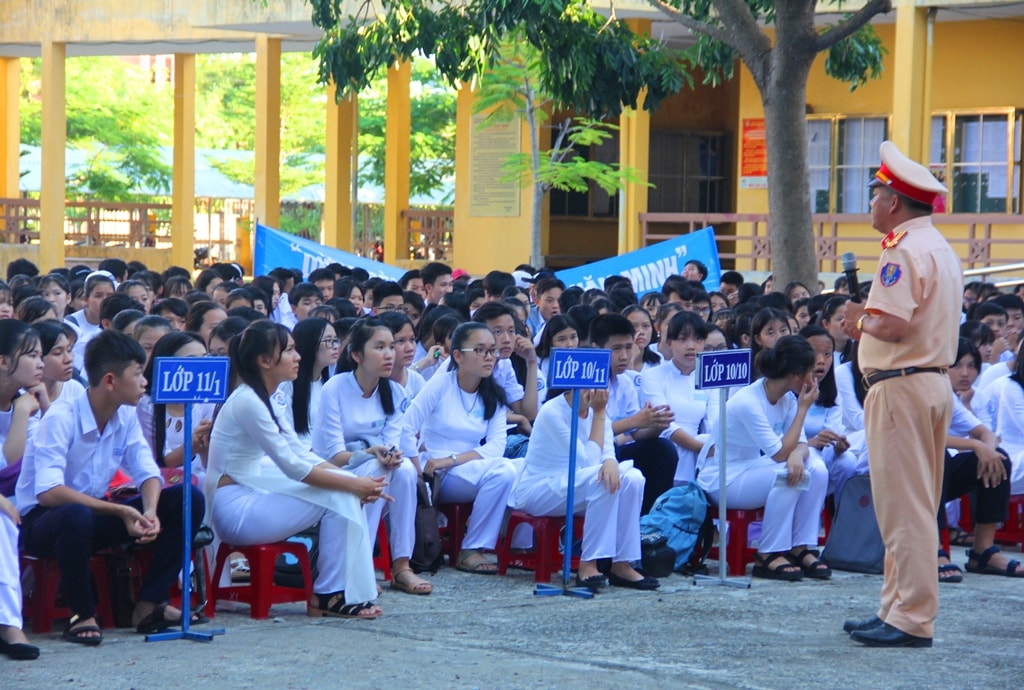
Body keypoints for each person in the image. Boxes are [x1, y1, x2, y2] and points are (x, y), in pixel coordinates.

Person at [841, 140, 963, 648]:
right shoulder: (937, 245)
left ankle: (910, 617)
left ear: (893, 201)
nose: (870, 204)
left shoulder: (902, 250)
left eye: (875, 195)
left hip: (901, 386)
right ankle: (895, 607)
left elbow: (890, 326)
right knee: (909, 503)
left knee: (905, 508)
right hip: (928, 383)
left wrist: (857, 320)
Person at [17, 330, 206, 644]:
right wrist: (119, 511)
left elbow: (147, 470)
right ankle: (81, 613)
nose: (145, 382)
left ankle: (149, 604)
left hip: (91, 516)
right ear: (109, 381)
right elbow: (49, 492)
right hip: (44, 523)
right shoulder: (62, 417)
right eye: (138, 374)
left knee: (188, 499)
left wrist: (148, 512)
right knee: (74, 514)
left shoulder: (126, 415)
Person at [206, 320, 385, 619]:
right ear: (264, 361)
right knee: (338, 494)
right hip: (234, 510)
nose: (298, 356)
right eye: (288, 350)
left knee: (340, 491)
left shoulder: (266, 397)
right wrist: (352, 485)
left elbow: (300, 452)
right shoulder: (248, 401)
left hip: (253, 495)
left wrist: (351, 480)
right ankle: (330, 593)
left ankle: (331, 591)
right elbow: (292, 467)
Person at [697, 336, 830, 582]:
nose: (814, 377)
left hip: (753, 469)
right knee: (788, 476)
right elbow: (779, 454)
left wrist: (797, 456)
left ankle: (801, 546)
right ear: (797, 375)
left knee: (818, 469)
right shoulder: (749, 401)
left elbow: (801, 445)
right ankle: (769, 552)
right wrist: (803, 410)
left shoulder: (788, 399)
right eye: (810, 371)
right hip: (723, 478)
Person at [313, 320, 431, 595]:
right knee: (380, 468)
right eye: (379, 347)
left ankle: (402, 566)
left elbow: (390, 443)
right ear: (357, 355)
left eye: (391, 346)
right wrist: (370, 453)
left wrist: (390, 455)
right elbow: (333, 454)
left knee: (403, 471)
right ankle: (360, 565)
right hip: (331, 470)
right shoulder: (335, 389)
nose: (389, 354)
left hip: (375, 468)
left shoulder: (395, 392)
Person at [509, 386, 658, 591]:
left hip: (577, 485)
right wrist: (598, 414)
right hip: (539, 488)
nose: (595, 392)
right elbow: (590, 461)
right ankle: (588, 564)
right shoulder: (553, 412)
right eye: (589, 386)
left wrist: (611, 460)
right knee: (601, 480)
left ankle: (622, 564)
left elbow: (606, 452)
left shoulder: (598, 409)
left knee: (633, 478)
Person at [402, 322, 513, 574]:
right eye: (481, 350)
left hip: (463, 465)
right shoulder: (441, 384)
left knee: (514, 468)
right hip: (437, 473)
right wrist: (418, 470)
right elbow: (407, 426)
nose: (489, 357)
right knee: (504, 471)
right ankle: (472, 548)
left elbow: (496, 446)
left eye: (492, 351)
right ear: (458, 356)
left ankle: (502, 544)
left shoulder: (494, 394)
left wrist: (452, 459)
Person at [640, 311, 719, 484]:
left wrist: (709, 445)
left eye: (697, 339)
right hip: (664, 448)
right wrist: (699, 447)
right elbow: (664, 424)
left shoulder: (709, 378)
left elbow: (714, 420)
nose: (691, 346)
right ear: (669, 342)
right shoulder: (653, 376)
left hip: (701, 450)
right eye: (683, 339)